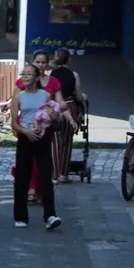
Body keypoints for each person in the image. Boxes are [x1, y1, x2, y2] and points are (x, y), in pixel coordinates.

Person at [12, 63, 62, 231]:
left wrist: (52, 119)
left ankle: (50, 215)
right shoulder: (19, 97)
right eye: (23, 74)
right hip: (26, 137)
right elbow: (13, 123)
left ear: (36, 76)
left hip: (43, 137)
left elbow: (53, 117)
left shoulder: (46, 95)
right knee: (22, 177)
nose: (25, 77)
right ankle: (20, 215)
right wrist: (26, 132)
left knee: (46, 177)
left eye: (28, 74)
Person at [15, 50, 67, 203]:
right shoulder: (22, 81)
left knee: (41, 160)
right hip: (26, 125)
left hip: (46, 125)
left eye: (43, 62)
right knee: (27, 159)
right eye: (37, 62)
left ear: (48, 63)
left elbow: (59, 103)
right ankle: (30, 188)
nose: (41, 64)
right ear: (33, 62)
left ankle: (40, 190)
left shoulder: (53, 82)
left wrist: (56, 109)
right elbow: (16, 102)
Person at [49, 48, 86, 183]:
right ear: (69, 59)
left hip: (55, 107)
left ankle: (54, 174)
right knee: (67, 141)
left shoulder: (51, 74)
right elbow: (78, 96)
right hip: (70, 106)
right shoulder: (74, 75)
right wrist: (83, 98)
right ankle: (63, 174)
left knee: (55, 141)